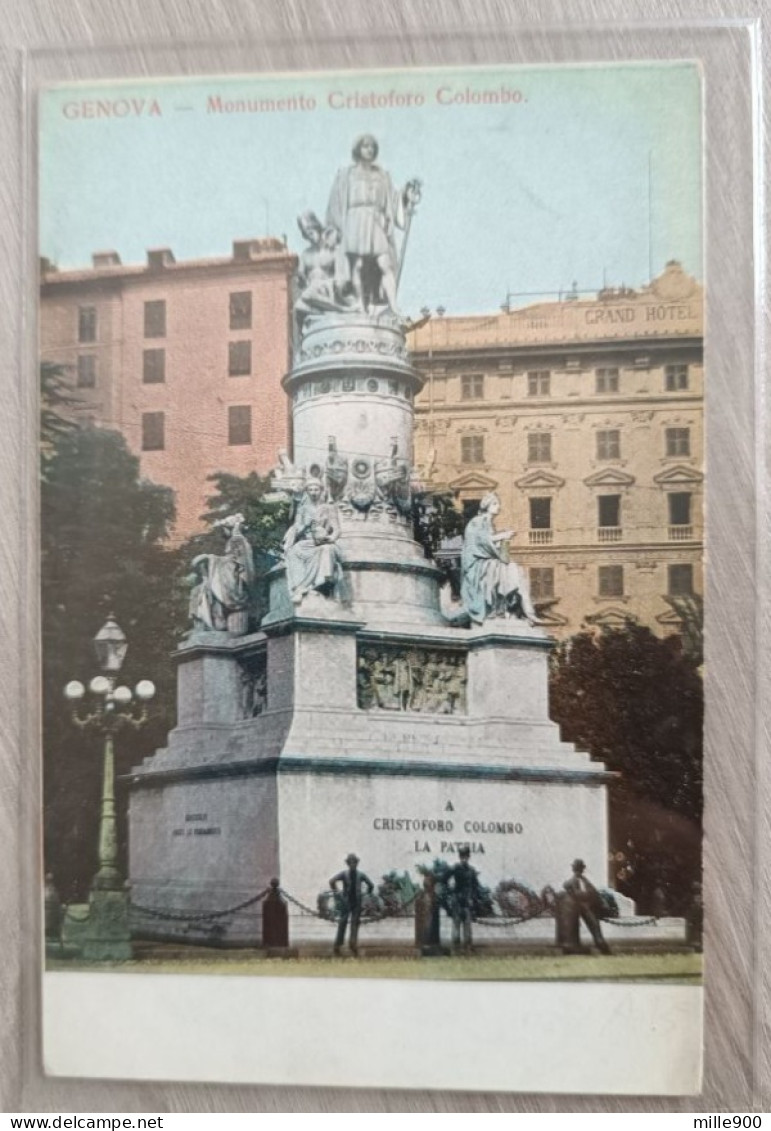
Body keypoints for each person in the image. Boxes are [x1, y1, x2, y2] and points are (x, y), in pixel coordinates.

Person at [326, 134, 419, 312]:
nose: (369, 149)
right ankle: (360, 304)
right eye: (365, 146)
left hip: (375, 219)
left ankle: (393, 305)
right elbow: (336, 202)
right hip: (355, 220)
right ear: (358, 149)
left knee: (385, 262)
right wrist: (337, 229)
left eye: (371, 146)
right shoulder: (347, 174)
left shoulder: (382, 175)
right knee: (358, 265)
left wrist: (406, 196)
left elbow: (393, 200)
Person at [460, 492, 538, 625]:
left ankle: (521, 611)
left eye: (498, 503)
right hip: (477, 564)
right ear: (487, 505)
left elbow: (500, 554)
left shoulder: (490, 524)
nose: (499, 507)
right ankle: (518, 611)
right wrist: (502, 536)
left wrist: (504, 540)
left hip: (487, 561)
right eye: (495, 503)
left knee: (515, 570)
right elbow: (481, 542)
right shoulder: (478, 521)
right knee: (511, 569)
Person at [190, 513, 255, 633]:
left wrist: (210, 558)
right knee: (203, 590)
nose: (223, 533)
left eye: (224, 529)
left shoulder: (237, 539)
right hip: (228, 574)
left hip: (232, 577)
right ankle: (214, 620)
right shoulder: (235, 540)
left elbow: (237, 562)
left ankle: (217, 621)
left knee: (210, 590)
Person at [282, 478, 343, 605]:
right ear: (307, 492)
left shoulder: (329, 508)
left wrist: (329, 538)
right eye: (310, 490)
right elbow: (297, 531)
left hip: (323, 542)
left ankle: (320, 584)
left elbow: (337, 530)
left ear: (321, 491)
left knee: (326, 549)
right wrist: (305, 524)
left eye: (316, 489)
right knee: (294, 551)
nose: (313, 492)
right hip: (307, 542)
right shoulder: (302, 508)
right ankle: (299, 588)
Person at [561, 858, 612, 955]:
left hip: (587, 907)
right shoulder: (573, 881)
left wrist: (597, 899)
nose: (580, 870)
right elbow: (578, 892)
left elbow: (593, 891)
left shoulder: (583, 880)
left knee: (595, 926)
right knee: (594, 926)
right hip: (582, 907)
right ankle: (600, 944)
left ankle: (601, 944)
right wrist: (589, 895)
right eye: (579, 868)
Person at [329, 853, 375, 956]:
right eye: (351, 862)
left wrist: (366, 895)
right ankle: (338, 944)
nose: (353, 864)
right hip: (346, 902)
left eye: (354, 862)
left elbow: (371, 885)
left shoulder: (361, 875)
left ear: (357, 863)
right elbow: (332, 881)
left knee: (354, 923)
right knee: (343, 922)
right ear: (348, 863)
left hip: (357, 902)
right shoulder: (344, 874)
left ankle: (353, 944)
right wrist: (338, 894)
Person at [447, 845, 480, 954]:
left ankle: (468, 947)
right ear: (460, 857)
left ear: (468, 857)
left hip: (467, 901)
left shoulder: (471, 871)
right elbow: (445, 879)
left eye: (466, 856)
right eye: (462, 856)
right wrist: (450, 893)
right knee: (456, 926)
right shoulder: (455, 868)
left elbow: (475, 886)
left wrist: (473, 899)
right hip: (457, 901)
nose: (464, 858)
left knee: (467, 927)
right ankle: (455, 948)